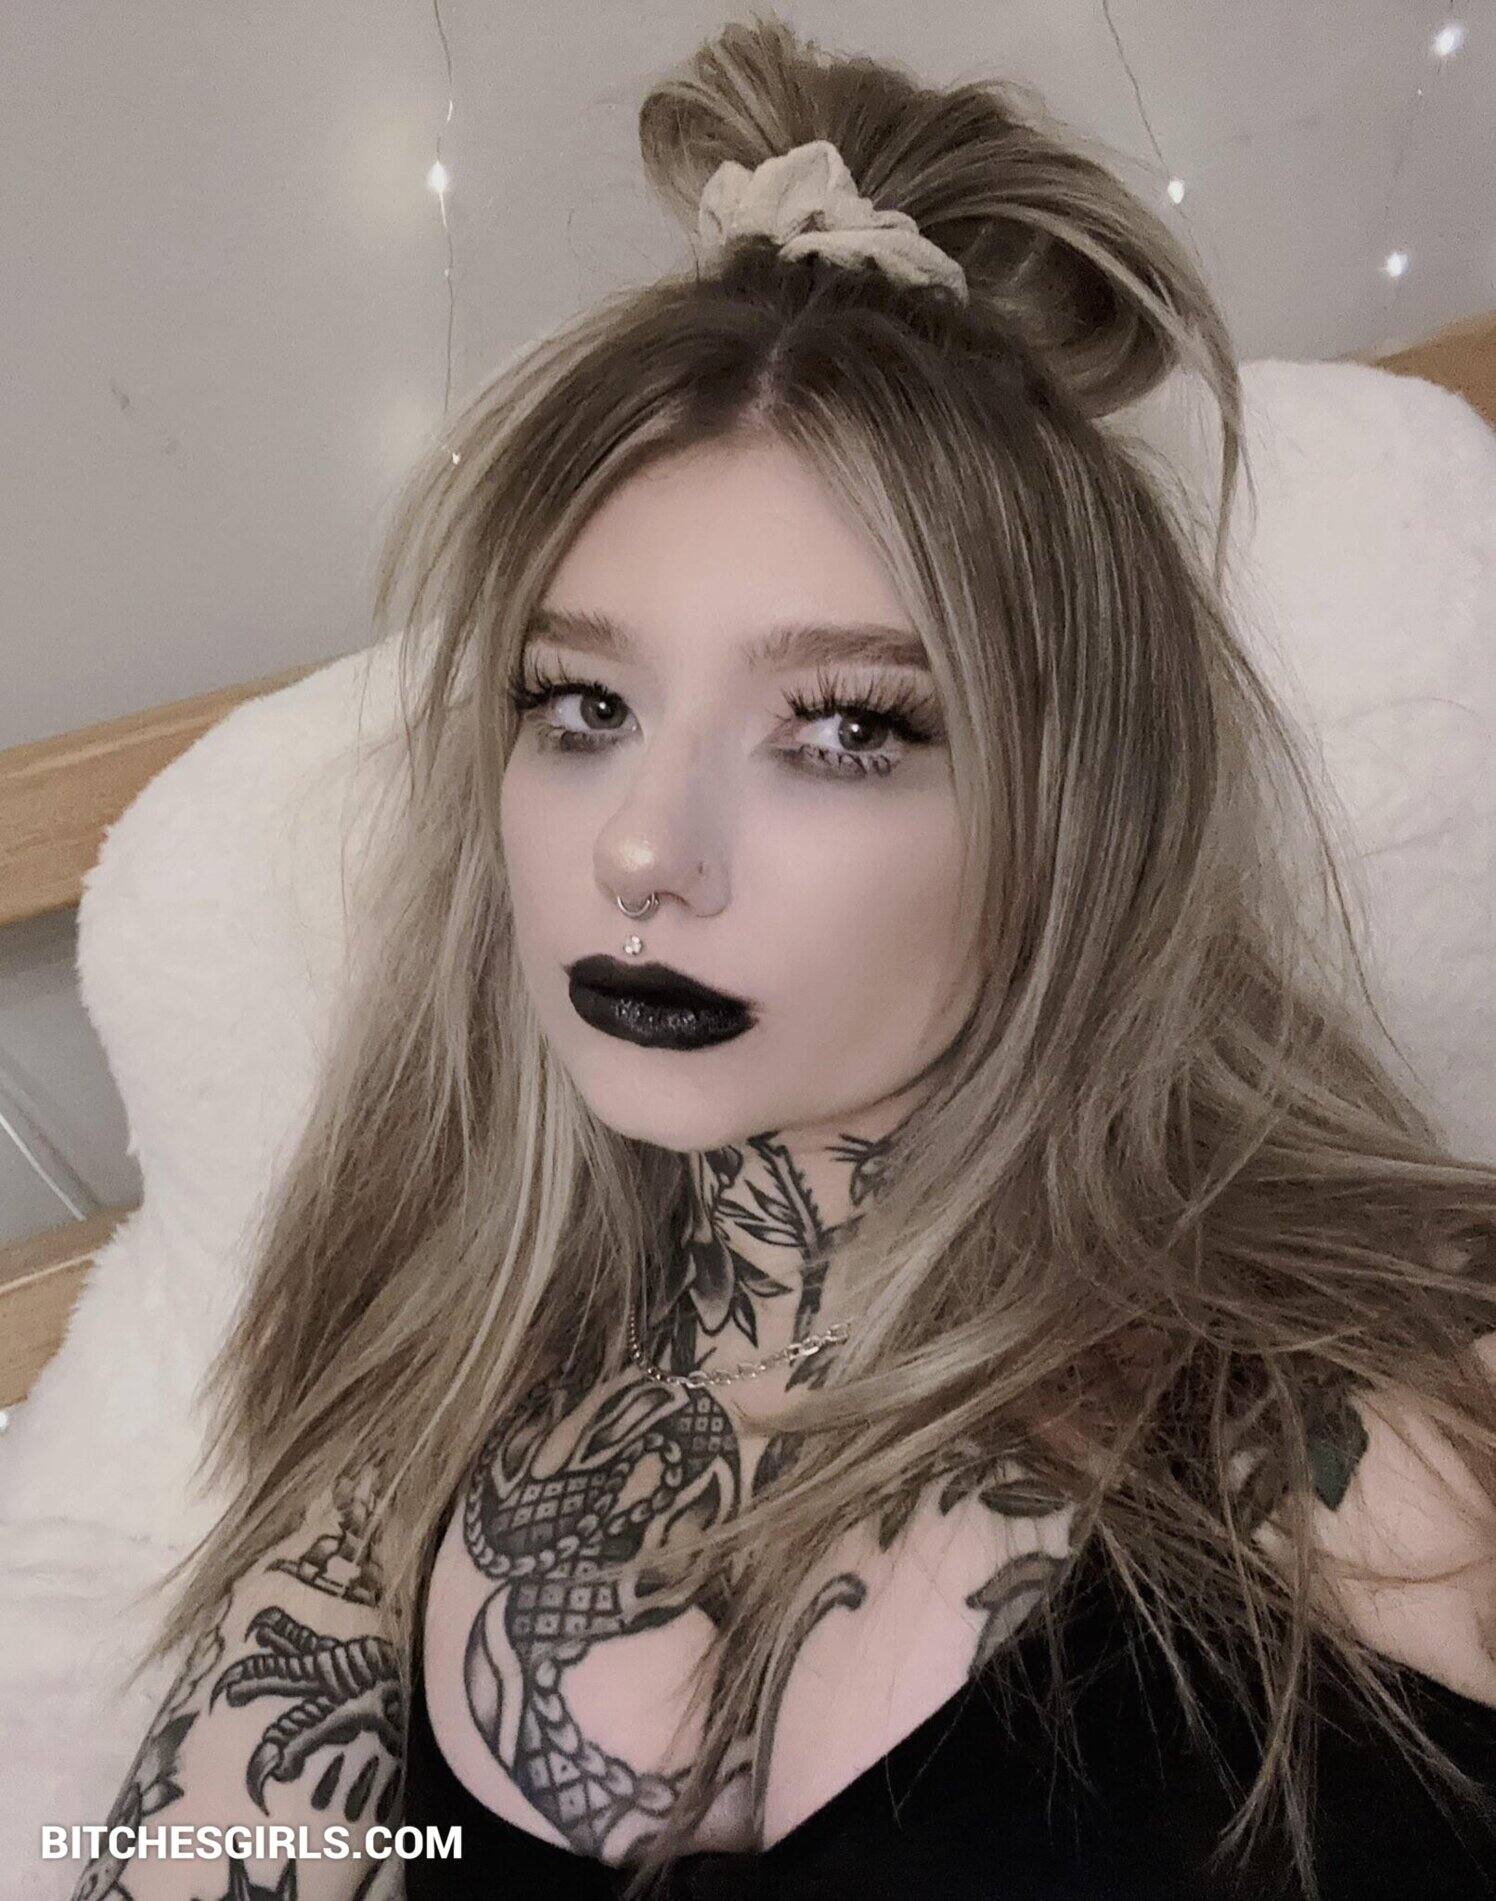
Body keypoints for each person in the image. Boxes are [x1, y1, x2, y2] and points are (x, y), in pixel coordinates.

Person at [73, 13, 1496, 1901]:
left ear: (1081, 814)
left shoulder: (1389, 1400)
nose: (642, 847)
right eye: (581, 704)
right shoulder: (403, 1436)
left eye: (843, 728)